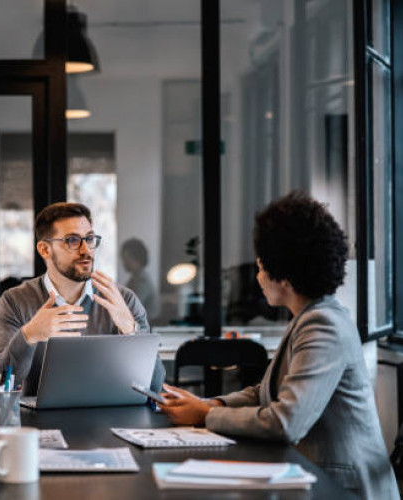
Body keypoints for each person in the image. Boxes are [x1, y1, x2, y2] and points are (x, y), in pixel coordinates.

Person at [158, 191, 397, 499]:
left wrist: (204, 416)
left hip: (344, 490)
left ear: (283, 275)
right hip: (315, 477)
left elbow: (287, 421)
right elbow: (264, 391)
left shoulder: (322, 324)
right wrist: (211, 404)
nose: (257, 277)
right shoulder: (307, 317)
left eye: (260, 266)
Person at [0, 202, 165, 396]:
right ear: (45, 250)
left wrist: (131, 329)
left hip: (108, 419)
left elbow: (154, 386)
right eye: (72, 240)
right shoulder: (15, 301)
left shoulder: (124, 301)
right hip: (38, 421)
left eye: (89, 239)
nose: (86, 250)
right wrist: (29, 335)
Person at [120, 238, 160, 322]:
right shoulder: (134, 278)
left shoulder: (142, 281)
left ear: (134, 258)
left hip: (146, 328)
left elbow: (132, 308)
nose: (123, 261)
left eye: (125, 257)